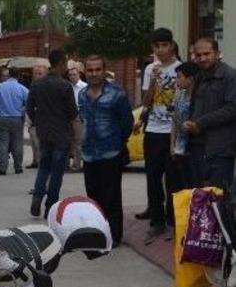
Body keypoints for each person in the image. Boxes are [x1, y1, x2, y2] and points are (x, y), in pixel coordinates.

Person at [78, 55, 133, 245]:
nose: (93, 73)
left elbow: (127, 123)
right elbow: (83, 119)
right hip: (89, 154)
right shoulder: (82, 94)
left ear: (104, 70)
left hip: (111, 153)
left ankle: (114, 236)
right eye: (90, 70)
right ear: (85, 71)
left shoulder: (117, 94)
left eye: (97, 70)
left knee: (112, 197)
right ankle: (98, 235)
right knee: (93, 197)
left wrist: (118, 142)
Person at [134, 28, 181, 242]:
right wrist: (153, 81)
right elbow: (146, 102)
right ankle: (156, 222)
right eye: (156, 46)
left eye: (164, 45)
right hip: (153, 131)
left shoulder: (180, 68)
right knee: (152, 179)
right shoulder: (149, 69)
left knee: (173, 181)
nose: (161, 50)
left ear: (171, 45)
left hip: (173, 133)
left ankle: (173, 222)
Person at [27, 50, 78, 217]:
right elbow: (73, 112)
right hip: (61, 134)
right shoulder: (65, 86)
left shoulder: (37, 84)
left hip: (44, 132)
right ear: (61, 63)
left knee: (44, 167)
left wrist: (38, 122)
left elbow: (29, 108)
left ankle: (37, 196)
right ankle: (51, 205)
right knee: (57, 171)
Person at [183, 37, 236, 189]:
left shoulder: (230, 76)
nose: (202, 58)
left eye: (207, 54)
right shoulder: (198, 77)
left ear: (217, 53)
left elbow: (232, 108)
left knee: (217, 196)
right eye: (198, 55)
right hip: (196, 146)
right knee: (198, 196)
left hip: (220, 148)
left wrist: (200, 123)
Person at [0, 68, 28, 175]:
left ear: (9, 75)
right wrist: (23, 112)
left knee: (3, 143)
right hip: (17, 119)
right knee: (18, 143)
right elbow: (29, 102)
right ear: (18, 76)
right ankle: (18, 167)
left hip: (1, 119)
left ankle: (2, 168)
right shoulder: (22, 88)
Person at [172, 62, 200, 190]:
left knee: (194, 185)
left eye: (179, 77)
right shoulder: (179, 96)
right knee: (180, 186)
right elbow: (174, 122)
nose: (176, 80)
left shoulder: (199, 98)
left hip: (194, 146)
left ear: (190, 79)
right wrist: (172, 145)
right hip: (179, 147)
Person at [26, 64, 48, 169]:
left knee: (39, 142)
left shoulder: (47, 87)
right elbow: (29, 104)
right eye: (35, 74)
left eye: (40, 74)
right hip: (34, 119)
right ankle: (35, 160)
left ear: (45, 75)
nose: (37, 76)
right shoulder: (33, 86)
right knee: (34, 141)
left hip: (44, 119)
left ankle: (41, 162)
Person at [67, 62, 87, 171]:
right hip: (68, 115)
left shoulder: (84, 87)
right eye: (70, 75)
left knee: (78, 140)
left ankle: (77, 164)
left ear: (79, 75)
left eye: (74, 74)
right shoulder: (67, 86)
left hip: (79, 115)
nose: (72, 77)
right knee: (68, 140)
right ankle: (68, 164)